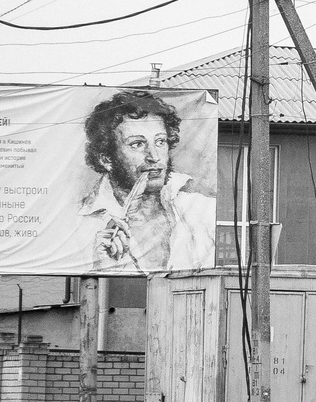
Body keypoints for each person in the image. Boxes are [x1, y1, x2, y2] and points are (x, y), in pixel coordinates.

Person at [79, 90, 216, 273]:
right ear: (106, 159)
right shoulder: (82, 224)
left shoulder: (199, 210)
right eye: (137, 144)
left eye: (160, 141)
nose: (154, 157)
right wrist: (101, 268)